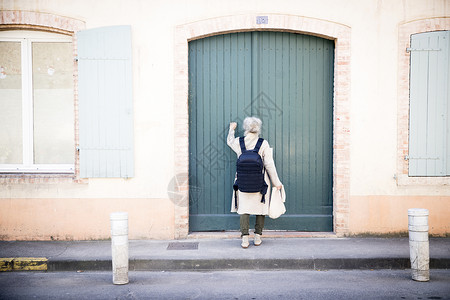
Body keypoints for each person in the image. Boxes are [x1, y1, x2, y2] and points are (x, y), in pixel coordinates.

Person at [227, 117, 283, 248]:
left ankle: (245, 239)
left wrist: (231, 129)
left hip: (243, 181)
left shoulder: (239, 142)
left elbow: (229, 141)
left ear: (246, 128)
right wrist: (276, 182)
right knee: (261, 209)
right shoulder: (263, 143)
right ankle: (257, 237)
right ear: (258, 128)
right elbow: (269, 165)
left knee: (244, 209)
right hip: (260, 182)